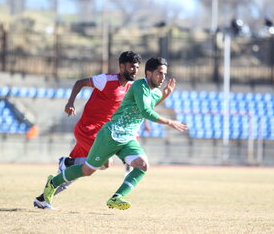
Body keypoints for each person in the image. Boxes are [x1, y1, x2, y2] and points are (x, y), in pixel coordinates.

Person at [38, 57, 188, 210]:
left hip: (127, 138)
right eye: (159, 73)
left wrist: (165, 94)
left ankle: (117, 197)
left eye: (164, 74)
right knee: (87, 170)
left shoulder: (155, 92)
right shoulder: (138, 86)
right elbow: (146, 111)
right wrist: (170, 122)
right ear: (148, 73)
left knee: (142, 165)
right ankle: (53, 182)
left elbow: (149, 104)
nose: (162, 77)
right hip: (111, 135)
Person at [33, 51, 143, 209]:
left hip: (103, 133)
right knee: (105, 163)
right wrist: (70, 103)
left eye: (137, 67)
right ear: (121, 66)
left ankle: (42, 199)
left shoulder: (131, 88)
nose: (134, 70)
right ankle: (67, 162)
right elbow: (79, 83)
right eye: (132, 67)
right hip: (87, 130)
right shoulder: (106, 80)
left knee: (77, 173)